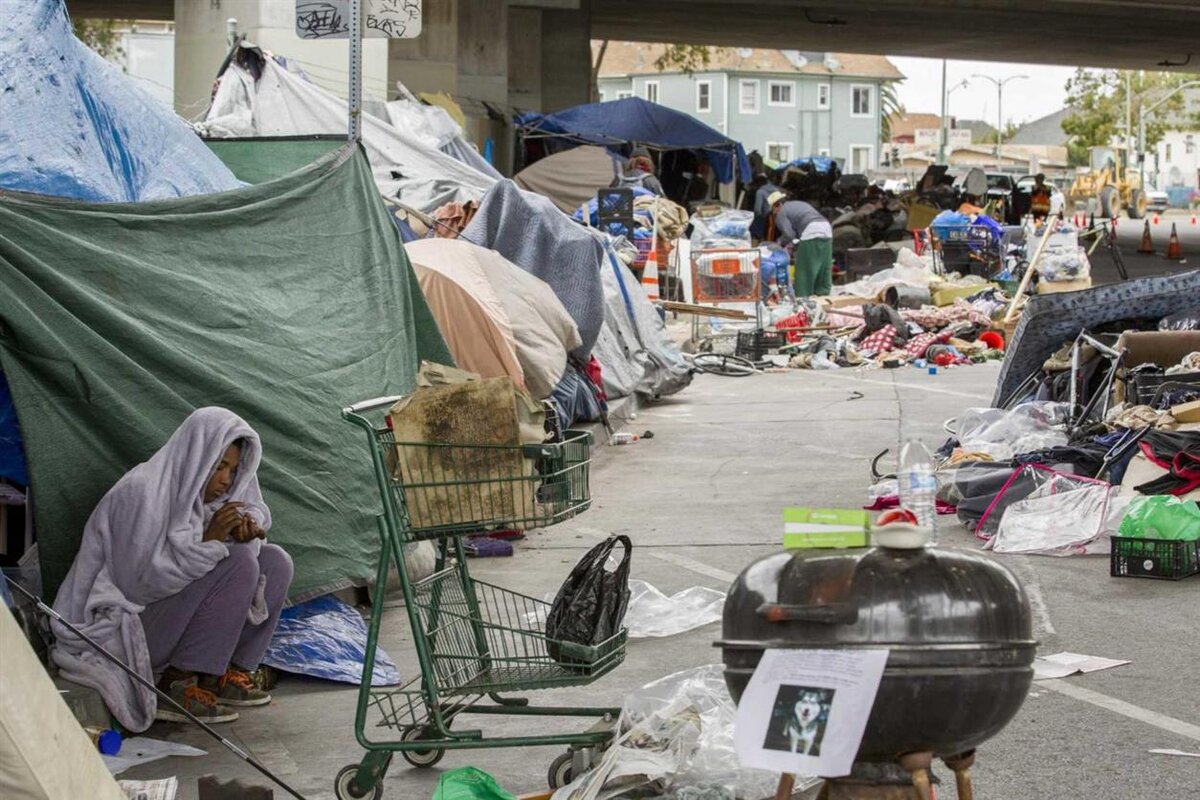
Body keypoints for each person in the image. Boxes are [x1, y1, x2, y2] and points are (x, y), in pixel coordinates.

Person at [51, 407, 293, 731]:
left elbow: (253, 509)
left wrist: (245, 530)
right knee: (239, 562)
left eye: (234, 471)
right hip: (125, 629)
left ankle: (224, 674)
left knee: (275, 561)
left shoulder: (210, 501)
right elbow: (138, 585)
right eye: (219, 466)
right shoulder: (140, 492)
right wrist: (210, 542)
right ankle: (177, 685)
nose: (226, 480)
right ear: (197, 458)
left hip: (167, 620)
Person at [769, 191, 833, 297]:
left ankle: (802, 299)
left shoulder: (781, 213)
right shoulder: (797, 204)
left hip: (811, 231)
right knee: (823, 267)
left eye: (773, 211)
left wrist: (778, 243)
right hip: (826, 229)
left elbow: (789, 235)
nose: (774, 213)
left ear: (776, 207)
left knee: (804, 271)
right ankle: (823, 295)